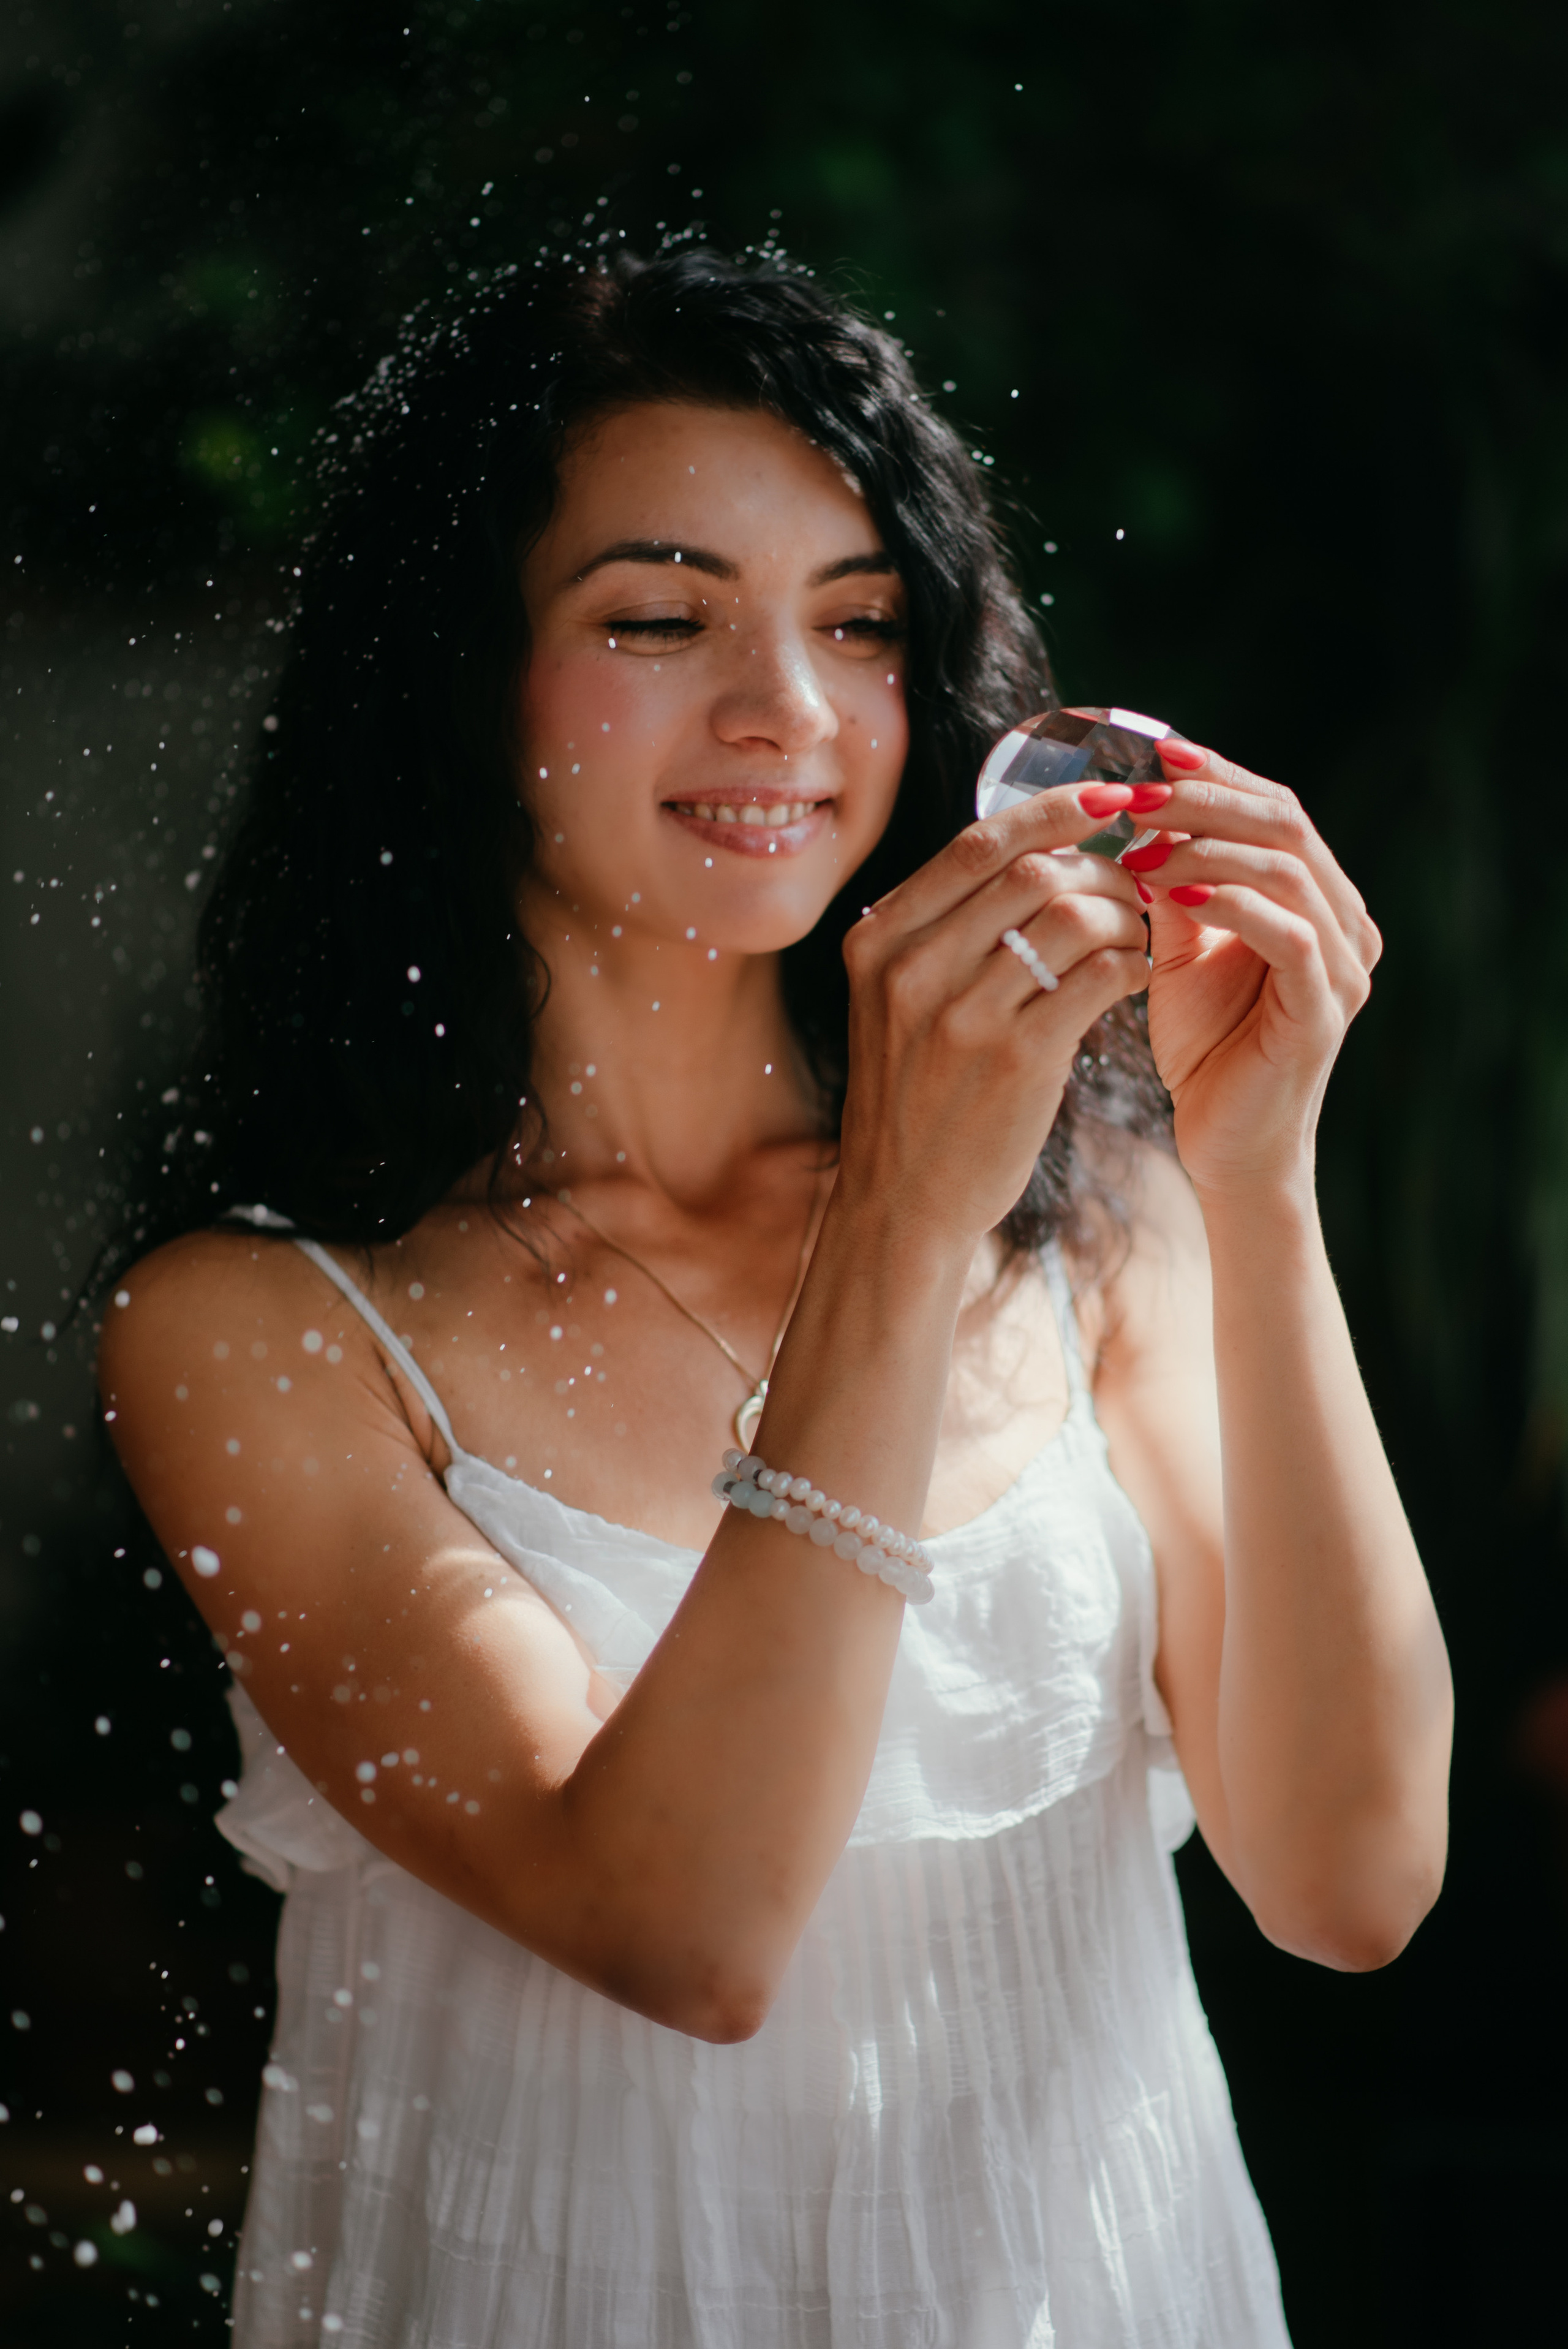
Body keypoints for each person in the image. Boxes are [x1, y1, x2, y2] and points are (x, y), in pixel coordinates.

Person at [98, 245, 1452, 2347]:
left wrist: (1252, 1176)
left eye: (860, 624)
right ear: (454, 671)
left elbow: (1354, 1885)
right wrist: (904, 1220)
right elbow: (687, 1932)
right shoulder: (261, 1331)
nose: (789, 714)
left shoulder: (1100, 1228)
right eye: (661, 618)